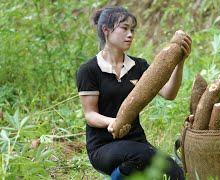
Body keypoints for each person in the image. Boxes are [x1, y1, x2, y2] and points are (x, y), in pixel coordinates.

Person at [76, 6, 191, 179]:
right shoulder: (89, 70)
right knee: (142, 156)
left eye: (132, 30)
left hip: (137, 142)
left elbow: (169, 93)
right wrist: (115, 122)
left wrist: (179, 63)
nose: (130, 34)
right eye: (124, 28)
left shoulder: (138, 66)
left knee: (176, 173)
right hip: (103, 146)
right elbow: (90, 114)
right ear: (105, 30)